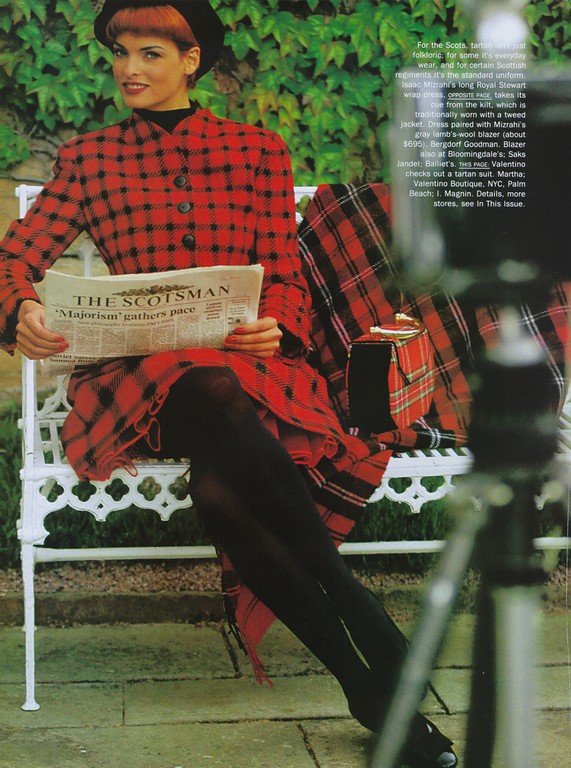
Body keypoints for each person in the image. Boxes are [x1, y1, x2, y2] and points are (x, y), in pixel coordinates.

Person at [0, 2, 456, 765]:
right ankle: (355, 603)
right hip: (145, 381)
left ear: (191, 62)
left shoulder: (256, 151)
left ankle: (363, 688)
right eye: (120, 51)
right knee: (207, 387)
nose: (128, 68)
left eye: (149, 53)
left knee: (219, 489)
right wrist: (20, 307)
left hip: (251, 373)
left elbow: (284, 276)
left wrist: (275, 326)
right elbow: (15, 258)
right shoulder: (88, 159)